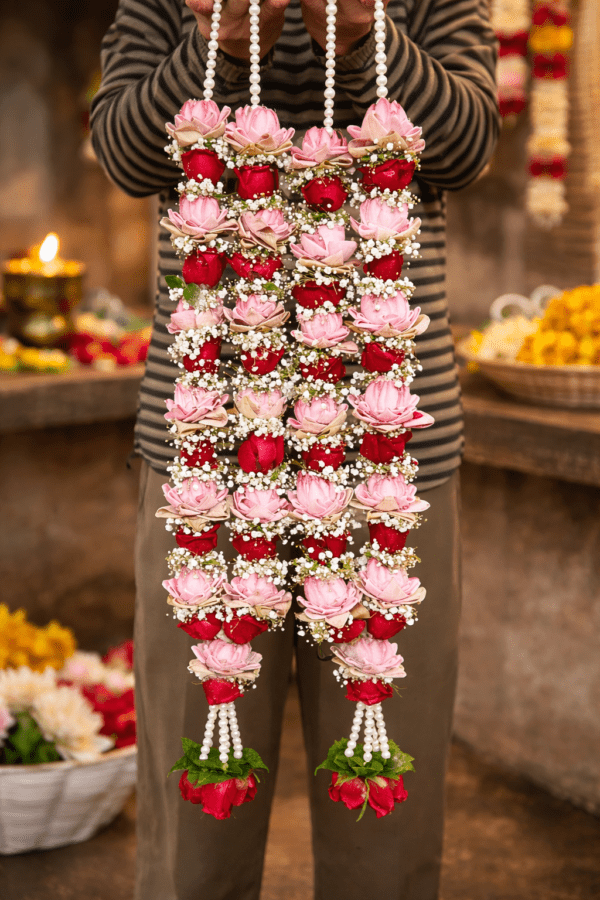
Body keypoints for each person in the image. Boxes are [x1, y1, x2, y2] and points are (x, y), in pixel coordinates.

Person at [91, 2, 499, 898]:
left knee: (383, 816)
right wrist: (214, 44)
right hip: (207, 452)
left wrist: (359, 38)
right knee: (197, 817)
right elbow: (120, 153)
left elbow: (469, 147)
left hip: (389, 453)